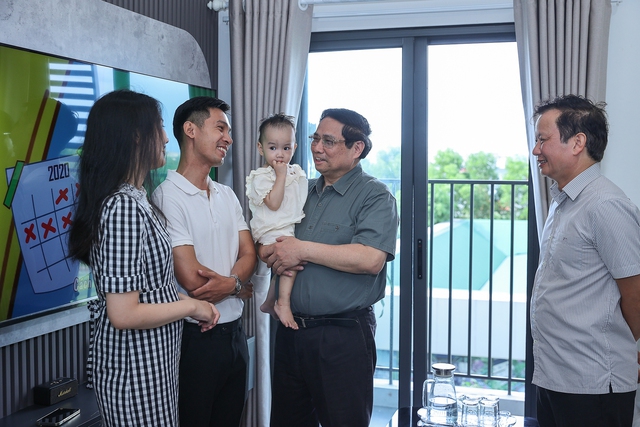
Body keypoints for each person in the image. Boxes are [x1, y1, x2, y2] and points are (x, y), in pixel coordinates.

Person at [68, 90, 220, 427]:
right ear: (136, 136)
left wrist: (189, 302)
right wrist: (193, 306)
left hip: (152, 367)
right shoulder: (122, 207)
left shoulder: (136, 198)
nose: (166, 137)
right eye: (160, 127)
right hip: (134, 374)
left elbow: (153, 287)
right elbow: (123, 313)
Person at [259, 108, 399, 426]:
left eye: (329, 141)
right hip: (290, 331)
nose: (317, 148)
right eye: (315, 139)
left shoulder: (375, 196)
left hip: (342, 336)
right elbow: (273, 231)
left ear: (356, 148)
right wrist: (269, 250)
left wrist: (301, 249)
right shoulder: (299, 189)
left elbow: (370, 259)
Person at [530, 94, 640, 427]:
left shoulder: (606, 205)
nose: (535, 150)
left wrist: (621, 348)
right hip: (554, 375)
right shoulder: (562, 201)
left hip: (593, 383)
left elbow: (635, 294)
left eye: (543, 140)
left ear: (577, 143)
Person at [152, 96, 257, 427]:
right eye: (220, 128)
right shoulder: (166, 196)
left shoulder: (227, 194)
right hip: (194, 338)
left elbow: (250, 254)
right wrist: (238, 285)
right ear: (191, 130)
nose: (228, 138)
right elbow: (193, 280)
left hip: (235, 335)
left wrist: (231, 284)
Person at [246, 113, 307, 329]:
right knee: (292, 263)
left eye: (286, 148)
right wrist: (280, 176)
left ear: (294, 148)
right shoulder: (261, 177)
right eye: (273, 148)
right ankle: (283, 303)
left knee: (282, 266)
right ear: (260, 148)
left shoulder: (295, 172)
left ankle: (270, 300)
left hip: (285, 225)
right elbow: (273, 203)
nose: (280, 154)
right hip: (271, 227)